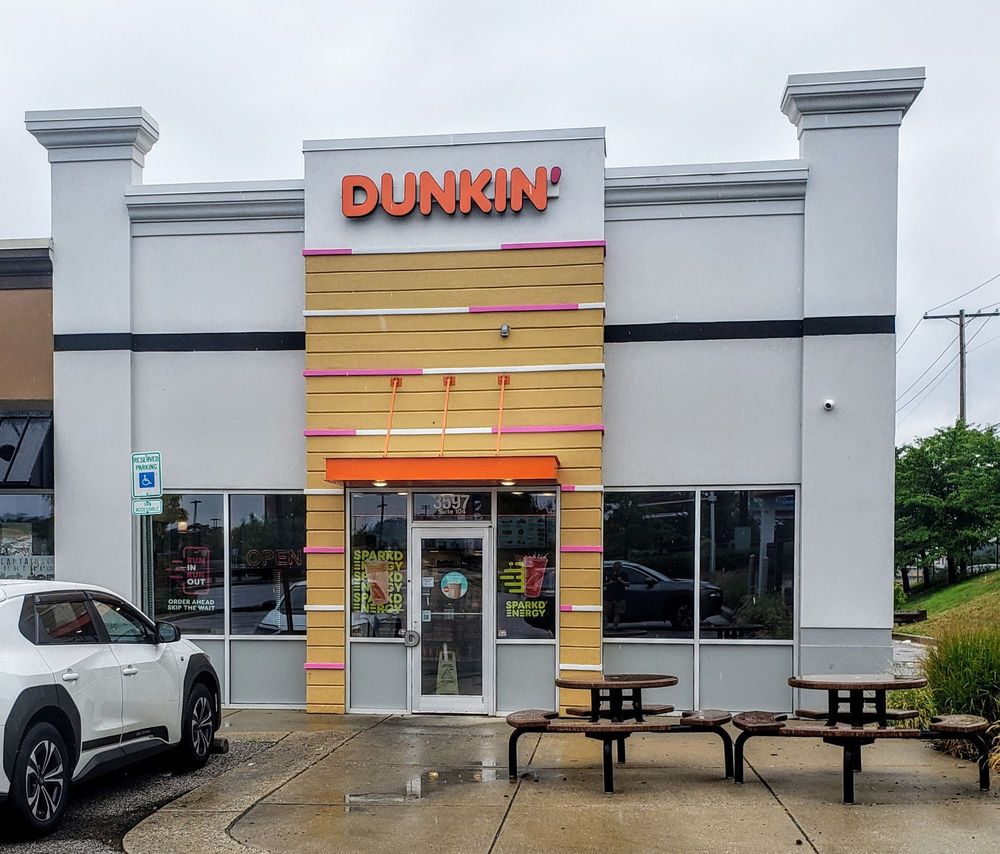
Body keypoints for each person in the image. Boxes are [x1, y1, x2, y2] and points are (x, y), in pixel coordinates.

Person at [604, 561, 627, 630]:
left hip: (619, 595)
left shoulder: (624, 574)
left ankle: (615, 627)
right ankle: (605, 627)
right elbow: (604, 584)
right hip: (609, 595)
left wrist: (621, 581)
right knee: (605, 612)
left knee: (618, 612)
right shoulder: (609, 574)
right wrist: (609, 583)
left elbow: (628, 583)